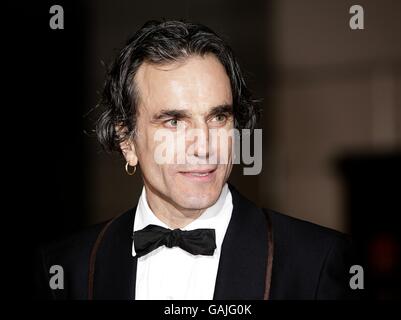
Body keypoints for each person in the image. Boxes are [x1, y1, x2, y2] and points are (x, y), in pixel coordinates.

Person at [34, 20, 355, 300]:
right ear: (127, 141)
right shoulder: (66, 268)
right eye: (174, 121)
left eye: (218, 117)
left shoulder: (316, 261)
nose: (204, 145)